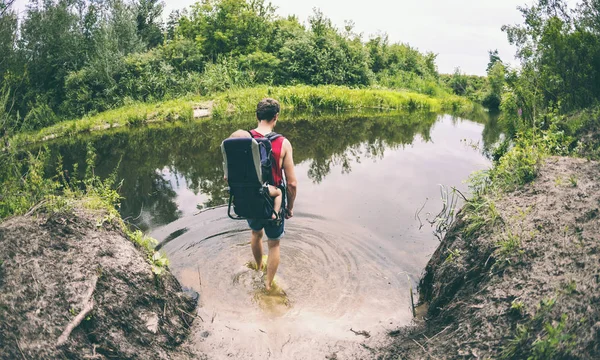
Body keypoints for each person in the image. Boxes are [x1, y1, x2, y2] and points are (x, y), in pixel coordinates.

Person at [229, 98, 297, 292]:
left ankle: (258, 267)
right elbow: (291, 183)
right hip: (271, 199)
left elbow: (231, 174)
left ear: (257, 116)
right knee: (274, 244)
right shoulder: (283, 143)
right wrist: (289, 207)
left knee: (255, 234)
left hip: (249, 199)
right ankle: (268, 285)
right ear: (276, 117)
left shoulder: (242, 140)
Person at [227, 131, 283, 220]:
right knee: (279, 192)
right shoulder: (255, 162)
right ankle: (275, 213)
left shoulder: (231, 165)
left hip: (240, 192)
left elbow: (226, 178)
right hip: (258, 190)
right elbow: (263, 176)